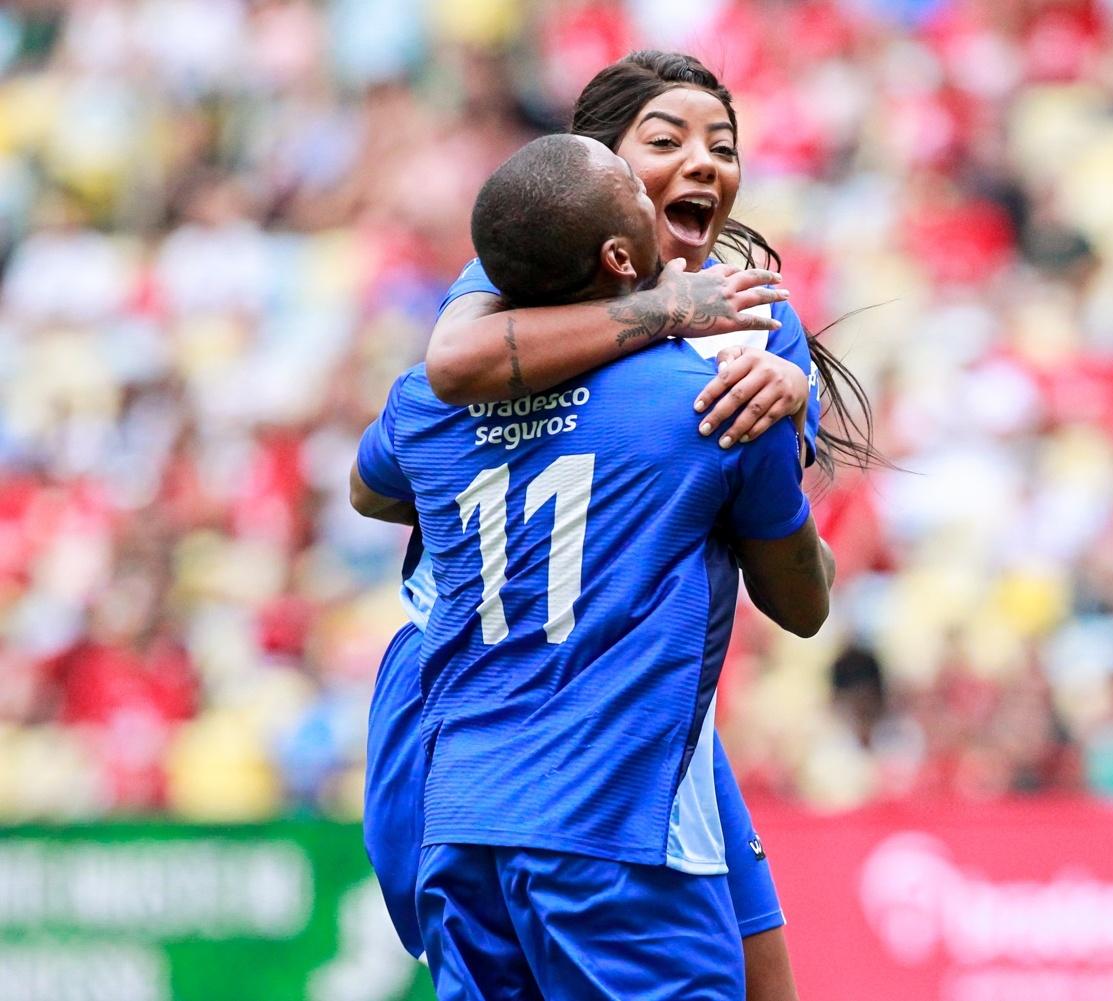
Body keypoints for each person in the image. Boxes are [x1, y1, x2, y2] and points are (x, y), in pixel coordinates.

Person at [362, 50, 880, 1001]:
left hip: (597, 729)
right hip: (589, 753)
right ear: (597, 180)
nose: (704, 163)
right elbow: (797, 586)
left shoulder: (755, 326)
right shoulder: (680, 362)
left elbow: (382, 473)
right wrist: (669, 333)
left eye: (722, 146)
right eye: (666, 140)